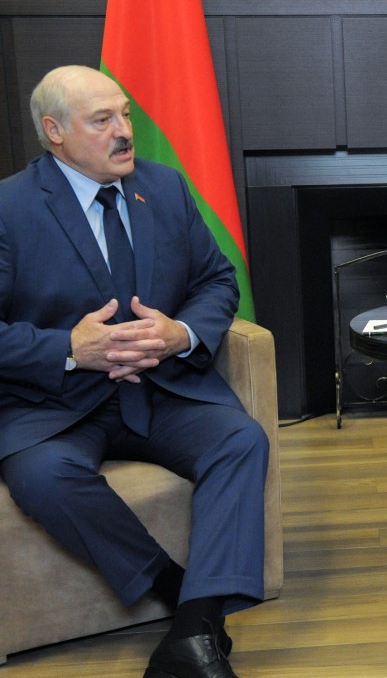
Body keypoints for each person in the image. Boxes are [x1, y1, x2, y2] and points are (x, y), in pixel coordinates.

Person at [0, 65, 268, 677]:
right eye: (103, 121)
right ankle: (184, 597)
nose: (125, 131)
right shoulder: (9, 208)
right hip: (57, 402)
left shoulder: (165, 187)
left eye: (125, 114)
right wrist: (69, 347)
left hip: (163, 388)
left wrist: (180, 333)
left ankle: (192, 634)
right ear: (55, 132)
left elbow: (216, 279)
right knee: (43, 477)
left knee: (241, 439)